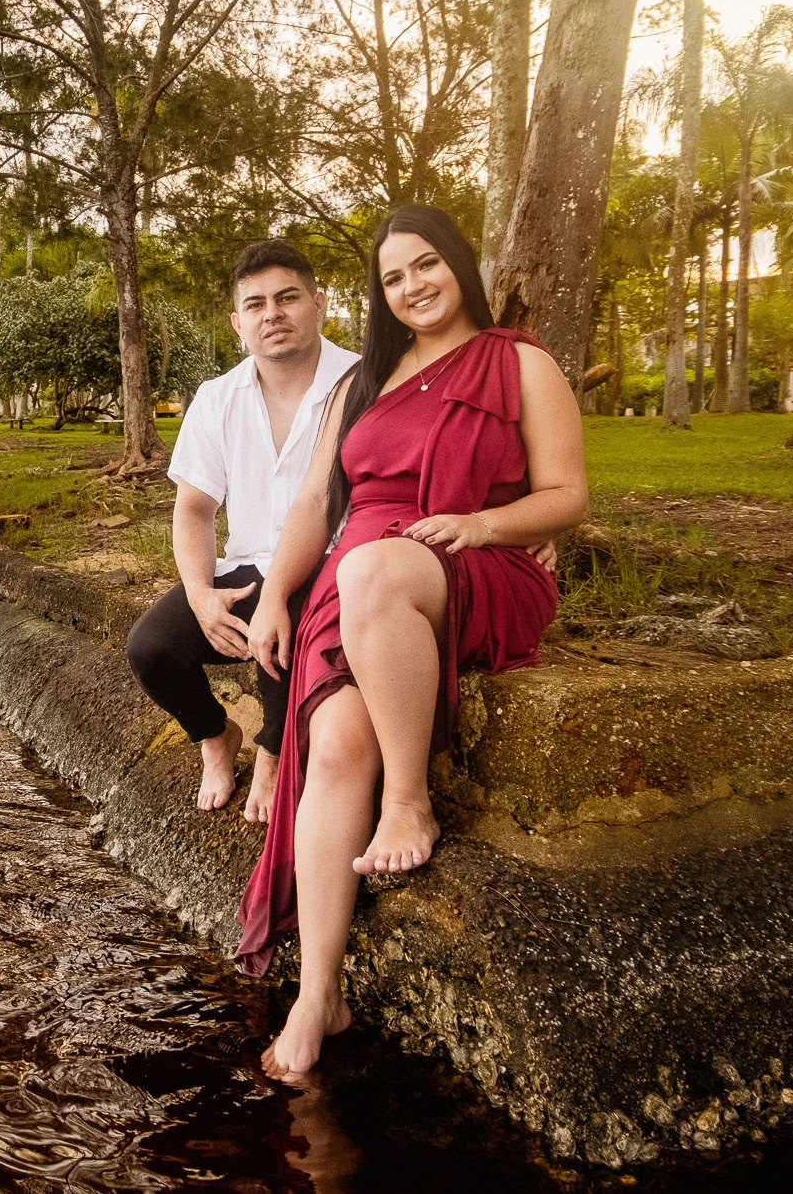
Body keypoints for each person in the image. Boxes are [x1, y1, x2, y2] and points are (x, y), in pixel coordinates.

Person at [237, 205, 587, 1083]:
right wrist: (277, 593)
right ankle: (321, 992)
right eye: (393, 278)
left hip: (474, 558)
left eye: (426, 265)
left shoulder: (521, 361)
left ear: (459, 267)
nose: (412, 286)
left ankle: (410, 801)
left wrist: (485, 521)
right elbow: (317, 507)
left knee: (373, 573)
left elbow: (567, 495)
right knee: (336, 736)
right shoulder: (365, 382)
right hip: (363, 575)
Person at [125, 241, 357, 822]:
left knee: (285, 617)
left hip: (338, 567)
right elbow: (195, 510)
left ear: (319, 303)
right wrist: (202, 594)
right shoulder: (216, 397)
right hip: (250, 565)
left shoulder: (362, 380)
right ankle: (215, 737)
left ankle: (275, 753)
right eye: (255, 305)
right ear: (238, 323)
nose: (271, 314)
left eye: (287, 298)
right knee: (151, 648)